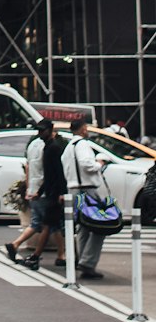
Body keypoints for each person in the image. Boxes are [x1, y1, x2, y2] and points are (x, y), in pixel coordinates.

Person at [62, 117, 111, 281]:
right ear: (82, 129)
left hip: (74, 189)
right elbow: (86, 164)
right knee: (99, 226)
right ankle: (88, 262)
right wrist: (99, 163)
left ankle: (84, 261)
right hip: (87, 189)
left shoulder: (69, 146)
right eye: (86, 128)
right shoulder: (82, 144)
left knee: (84, 227)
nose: (87, 130)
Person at [19, 125, 67, 271]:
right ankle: (61, 255)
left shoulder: (53, 148)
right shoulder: (47, 147)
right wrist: (39, 192)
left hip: (53, 193)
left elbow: (57, 172)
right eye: (39, 130)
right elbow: (49, 175)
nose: (40, 133)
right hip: (50, 192)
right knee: (53, 226)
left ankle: (36, 257)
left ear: (50, 130)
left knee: (48, 225)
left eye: (43, 130)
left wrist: (61, 193)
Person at [5, 120, 50, 261]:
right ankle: (38, 253)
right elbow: (47, 170)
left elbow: (28, 167)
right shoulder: (46, 146)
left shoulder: (32, 145)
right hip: (43, 190)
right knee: (49, 223)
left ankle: (16, 244)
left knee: (39, 222)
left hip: (33, 188)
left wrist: (28, 187)